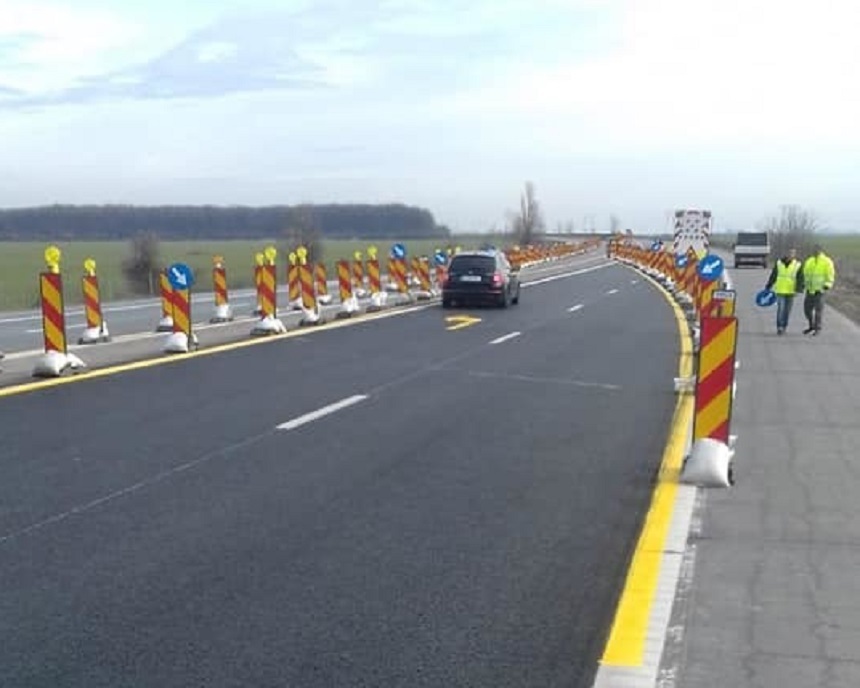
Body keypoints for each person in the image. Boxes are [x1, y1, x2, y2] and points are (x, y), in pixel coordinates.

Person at [764, 247, 803, 334]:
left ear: (795, 255)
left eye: (793, 253)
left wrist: (798, 289)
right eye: (789, 253)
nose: (791, 255)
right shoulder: (779, 263)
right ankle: (780, 327)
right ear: (786, 254)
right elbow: (773, 275)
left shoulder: (798, 265)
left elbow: (800, 278)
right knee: (780, 309)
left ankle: (784, 326)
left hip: (791, 291)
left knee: (787, 311)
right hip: (780, 290)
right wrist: (768, 286)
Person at [801, 244, 836, 335]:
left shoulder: (827, 261)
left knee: (818, 310)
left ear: (821, 250)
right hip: (810, 290)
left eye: (817, 250)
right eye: (814, 250)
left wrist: (828, 285)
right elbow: (805, 274)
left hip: (820, 290)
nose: (815, 251)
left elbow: (830, 274)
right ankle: (811, 325)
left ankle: (818, 328)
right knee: (807, 310)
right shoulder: (809, 261)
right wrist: (803, 284)